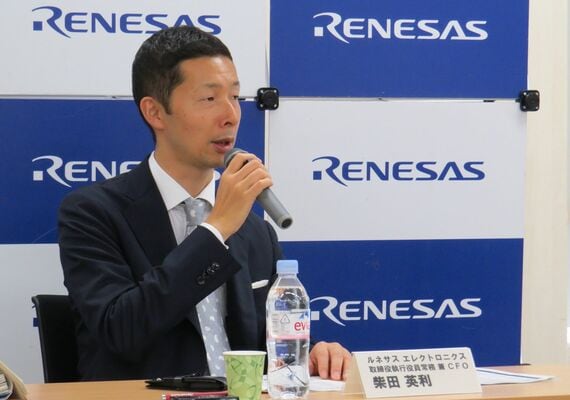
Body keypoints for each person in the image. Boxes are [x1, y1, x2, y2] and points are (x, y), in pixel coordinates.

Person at [58, 26, 351, 381]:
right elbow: (120, 330)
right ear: (155, 112)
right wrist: (215, 230)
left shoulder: (254, 230)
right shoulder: (93, 213)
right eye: (209, 99)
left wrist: (314, 352)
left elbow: (272, 339)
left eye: (236, 97)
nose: (231, 115)